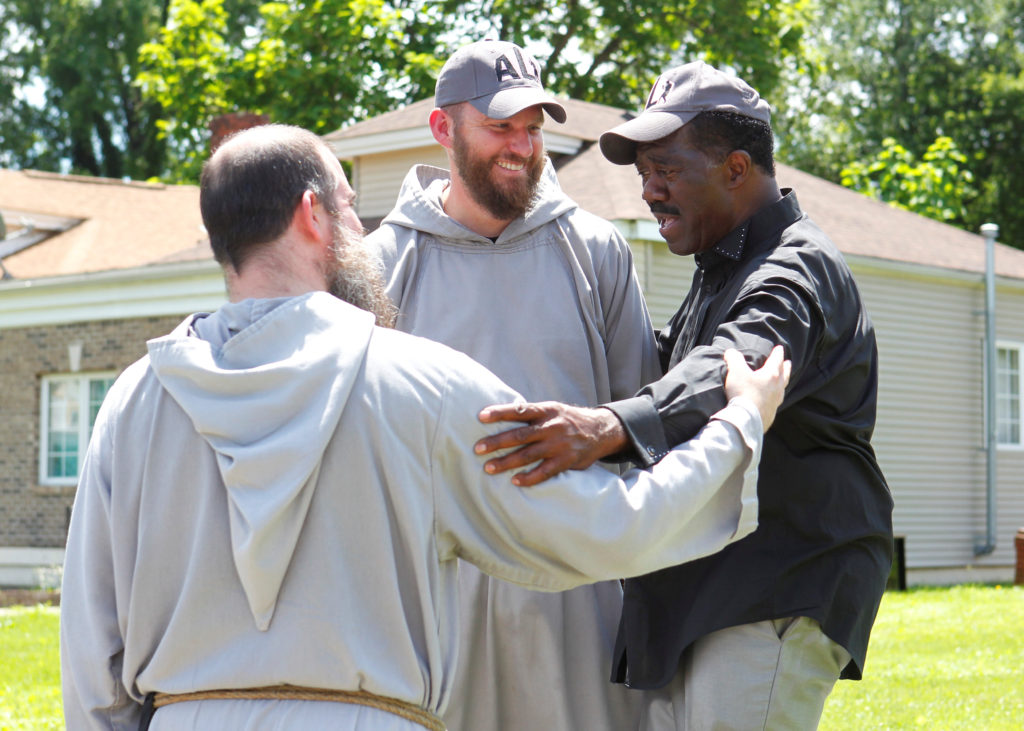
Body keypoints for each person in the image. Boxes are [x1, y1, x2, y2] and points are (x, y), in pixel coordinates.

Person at [59, 123, 790, 731]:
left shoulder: (132, 402)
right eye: (350, 207)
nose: (362, 228)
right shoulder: (417, 384)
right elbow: (613, 526)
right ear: (313, 215)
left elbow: (93, 649)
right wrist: (738, 425)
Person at [474, 61, 895, 730]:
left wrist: (604, 426)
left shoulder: (795, 266)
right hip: (704, 591)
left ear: (735, 169)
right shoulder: (719, 269)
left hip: (772, 586)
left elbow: (728, 370)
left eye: (666, 170)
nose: (650, 190)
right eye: (643, 173)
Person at [364, 39, 661, 731]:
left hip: (579, 598)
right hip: (435, 607)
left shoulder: (596, 250)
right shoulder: (380, 266)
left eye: (532, 128)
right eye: (500, 126)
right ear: (443, 128)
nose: (521, 146)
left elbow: (645, 424)